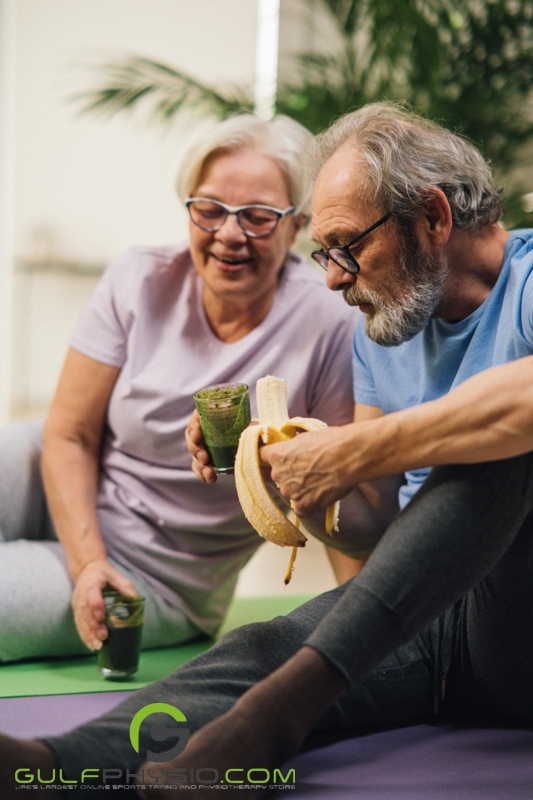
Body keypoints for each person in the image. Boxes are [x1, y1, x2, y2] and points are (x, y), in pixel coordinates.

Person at [3, 101, 533, 800]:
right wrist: (291, 478)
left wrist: (352, 449)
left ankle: (279, 717)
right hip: (433, 624)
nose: (336, 278)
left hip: (516, 618)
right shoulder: (383, 330)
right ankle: (57, 763)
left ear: (432, 217)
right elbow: (375, 523)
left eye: (348, 247)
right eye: (327, 254)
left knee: (497, 446)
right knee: (256, 651)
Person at [0, 114, 360, 664]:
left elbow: (338, 501)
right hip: (57, 478)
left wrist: (361, 644)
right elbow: (69, 434)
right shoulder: (137, 278)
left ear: (297, 225)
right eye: (211, 210)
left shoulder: (330, 323)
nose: (229, 235)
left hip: (155, 573)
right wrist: (85, 557)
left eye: (258, 217)